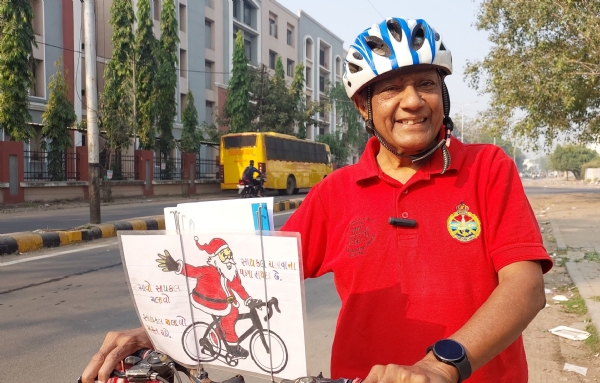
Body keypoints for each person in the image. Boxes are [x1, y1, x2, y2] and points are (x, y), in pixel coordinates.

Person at [81, 17, 552, 383]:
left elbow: (525, 288)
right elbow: (249, 272)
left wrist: (439, 366)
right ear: (363, 107)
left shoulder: (488, 168)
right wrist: (160, 332)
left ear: (442, 94)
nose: (412, 101)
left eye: (426, 83)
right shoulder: (337, 192)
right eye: (391, 88)